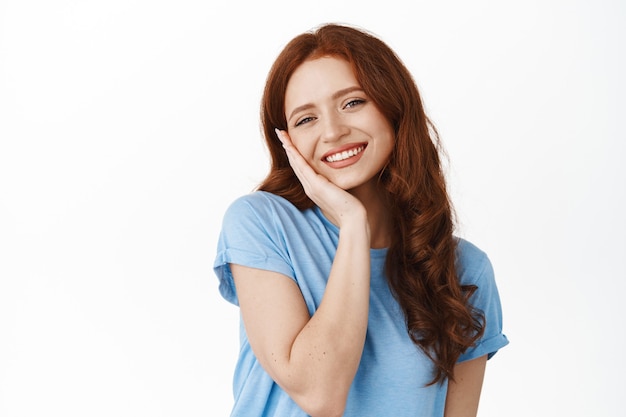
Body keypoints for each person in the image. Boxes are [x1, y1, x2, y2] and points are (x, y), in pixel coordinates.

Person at [214, 23, 508, 417]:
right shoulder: (261, 224)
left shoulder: (465, 270)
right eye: (306, 119)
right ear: (288, 142)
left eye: (352, 102)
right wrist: (353, 224)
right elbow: (319, 394)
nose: (333, 131)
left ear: (393, 105)